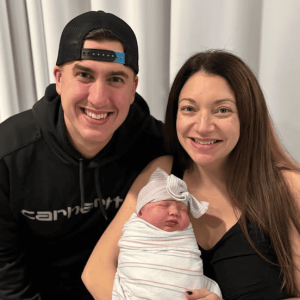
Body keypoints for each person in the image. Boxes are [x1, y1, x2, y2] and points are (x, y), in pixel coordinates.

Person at [82, 49, 300, 300]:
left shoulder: (288, 187)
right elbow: (96, 269)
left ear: (248, 116)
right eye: (189, 109)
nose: (203, 126)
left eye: (222, 110)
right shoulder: (161, 173)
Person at [0, 10, 165, 300]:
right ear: (59, 79)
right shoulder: (8, 155)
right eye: (84, 75)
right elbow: (6, 276)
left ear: (133, 89)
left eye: (115, 79)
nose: (99, 98)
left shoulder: (160, 147)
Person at [112, 167, 221, 299]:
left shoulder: (185, 237)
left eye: (182, 209)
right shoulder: (136, 233)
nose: (175, 212)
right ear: (140, 212)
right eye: (164, 205)